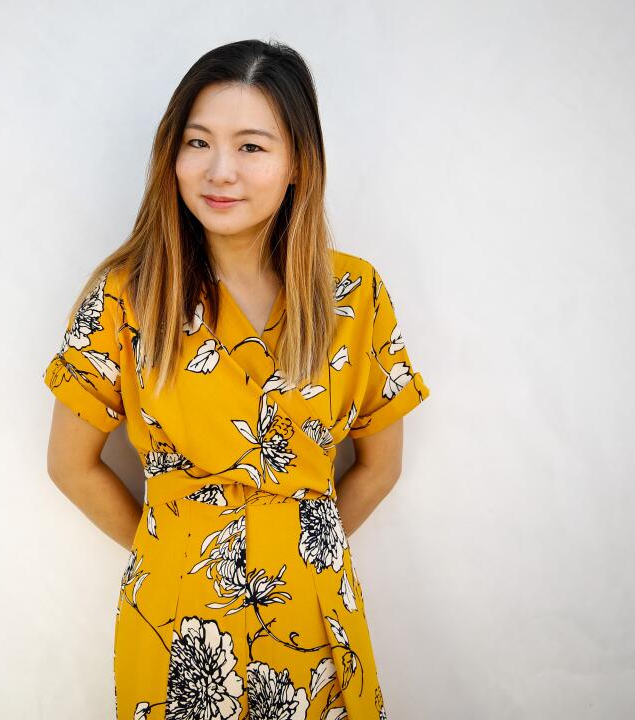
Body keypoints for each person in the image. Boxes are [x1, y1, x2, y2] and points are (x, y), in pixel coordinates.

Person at [42, 39, 430, 720]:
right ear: (173, 155)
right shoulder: (125, 296)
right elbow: (71, 466)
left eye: (251, 146)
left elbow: (379, 467)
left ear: (297, 165)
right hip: (177, 620)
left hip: (313, 609)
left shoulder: (354, 295)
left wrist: (299, 542)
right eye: (198, 142)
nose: (220, 171)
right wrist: (184, 548)